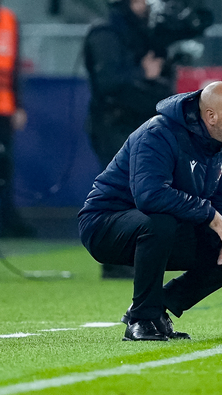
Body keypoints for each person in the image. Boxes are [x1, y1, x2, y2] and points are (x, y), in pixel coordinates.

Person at [78, 81, 222, 341]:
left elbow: (220, 205)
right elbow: (150, 196)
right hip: (104, 225)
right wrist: (207, 214)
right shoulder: (158, 133)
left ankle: (157, 306)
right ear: (211, 116)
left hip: (160, 227)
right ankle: (142, 318)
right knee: (160, 222)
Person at [84, 0, 174, 278]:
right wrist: (142, 73)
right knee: (118, 193)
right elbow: (108, 80)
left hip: (139, 123)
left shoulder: (145, 33)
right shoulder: (105, 33)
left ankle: (133, 256)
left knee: (141, 192)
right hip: (112, 123)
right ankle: (114, 261)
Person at [0, 0, 36, 238]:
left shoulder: (9, 20)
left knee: (5, 166)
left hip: (5, 108)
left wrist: (18, 105)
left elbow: (14, 68)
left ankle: (8, 219)